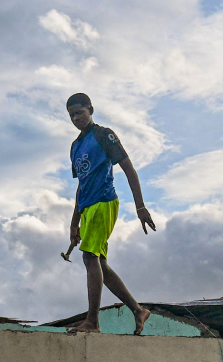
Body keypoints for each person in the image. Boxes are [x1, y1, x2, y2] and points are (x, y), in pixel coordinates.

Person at [62, 92, 154, 333]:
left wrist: (140, 206)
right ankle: (138, 310)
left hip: (104, 202)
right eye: (71, 115)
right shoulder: (75, 146)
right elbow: (81, 185)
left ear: (90, 109)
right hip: (87, 208)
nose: (75, 118)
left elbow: (128, 168)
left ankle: (92, 322)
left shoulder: (104, 135)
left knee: (89, 258)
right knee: (99, 263)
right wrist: (74, 223)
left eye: (79, 112)